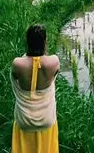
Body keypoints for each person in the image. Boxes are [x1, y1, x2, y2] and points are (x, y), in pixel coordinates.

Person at [11, 24, 60, 153]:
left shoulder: (18, 63)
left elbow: (16, 75)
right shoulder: (53, 62)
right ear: (45, 41)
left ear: (27, 41)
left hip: (24, 119)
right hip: (47, 119)